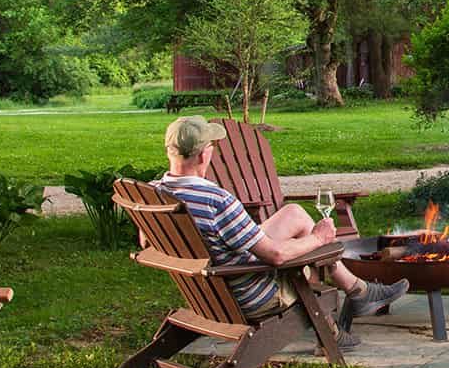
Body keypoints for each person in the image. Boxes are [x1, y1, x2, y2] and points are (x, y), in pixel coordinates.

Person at [156, 116, 407, 334]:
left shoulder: (156, 194)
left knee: (294, 214)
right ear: (203, 154)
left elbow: (147, 243)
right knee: (303, 251)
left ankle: (357, 290)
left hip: (207, 288)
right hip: (247, 294)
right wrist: (318, 239)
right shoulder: (215, 200)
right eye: (212, 145)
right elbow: (276, 256)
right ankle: (340, 316)